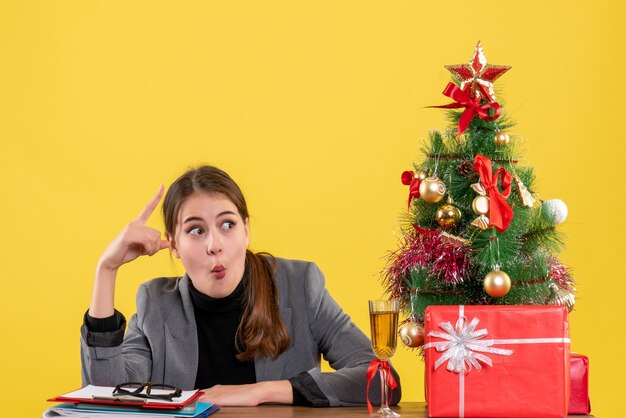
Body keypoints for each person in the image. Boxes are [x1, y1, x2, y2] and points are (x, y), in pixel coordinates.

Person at [81, 165, 401, 407]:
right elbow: (108, 395)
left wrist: (262, 392)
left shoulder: (300, 286)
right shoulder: (155, 303)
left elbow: (381, 380)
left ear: (246, 230)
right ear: (174, 246)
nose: (214, 245)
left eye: (227, 225)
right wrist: (106, 270)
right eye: (196, 230)